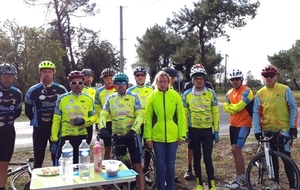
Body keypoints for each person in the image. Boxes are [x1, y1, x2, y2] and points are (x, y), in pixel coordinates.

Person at [98, 72, 145, 190]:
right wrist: (102, 128)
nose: (120, 85)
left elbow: (140, 115)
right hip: (117, 136)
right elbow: (103, 114)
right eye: (117, 83)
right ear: (114, 85)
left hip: (132, 136)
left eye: (123, 83)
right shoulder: (111, 98)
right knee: (119, 166)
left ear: (126, 85)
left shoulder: (134, 97)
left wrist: (134, 130)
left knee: (137, 166)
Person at [253, 65, 297, 190]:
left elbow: (293, 108)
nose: (269, 78)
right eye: (266, 76)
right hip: (268, 130)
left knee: (286, 158)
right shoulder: (260, 93)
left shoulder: (285, 89)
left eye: (271, 76)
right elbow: (256, 113)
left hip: (283, 131)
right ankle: (276, 184)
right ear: (263, 78)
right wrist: (257, 130)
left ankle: (293, 186)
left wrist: (293, 127)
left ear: (276, 76)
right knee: (272, 159)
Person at [144, 71, 186, 190]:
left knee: (171, 165)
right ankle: (161, 187)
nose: (162, 84)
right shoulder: (152, 97)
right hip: (157, 138)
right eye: (160, 81)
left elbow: (181, 116)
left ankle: (170, 187)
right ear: (156, 82)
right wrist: (148, 137)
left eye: (164, 81)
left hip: (173, 137)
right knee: (160, 165)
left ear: (169, 82)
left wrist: (182, 134)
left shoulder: (175, 95)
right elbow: (147, 118)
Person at [182, 66, 219, 190]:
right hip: (194, 131)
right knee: (196, 158)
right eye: (196, 78)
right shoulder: (187, 94)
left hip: (207, 130)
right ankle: (199, 183)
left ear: (204, 79)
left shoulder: (211, 93)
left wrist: (217, 130)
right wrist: (185, 131)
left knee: (208, 158)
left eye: (201, 78)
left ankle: (212, 184)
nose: (199, 81)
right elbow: (184, 115)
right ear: (193, 80)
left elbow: (215, 113)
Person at [25, 61, 67, 168]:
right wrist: (36, 120)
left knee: (56, 155)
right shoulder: (33, 90)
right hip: (39, 128)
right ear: (41, 73)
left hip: (56, 128)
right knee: (38, 156)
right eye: (44, 72)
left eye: (49, 71)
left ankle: (58, 180)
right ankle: (36, 182)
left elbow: (66, 109)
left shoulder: (61, 89)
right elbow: (28, 111)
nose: (47, 74)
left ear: (53, 73)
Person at [50, 70, 97, 164]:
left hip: (82, 138)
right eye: (74, 83)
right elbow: (56, 120)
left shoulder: (88, 99)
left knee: (82, 166)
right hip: (66, 138)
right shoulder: (62, 99)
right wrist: (54, 141)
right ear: (69, 84)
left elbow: (94, 117)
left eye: (80, 82)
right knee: (62, 167)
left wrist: (84, 121)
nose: (77, 85)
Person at [223, 69, 254, 189]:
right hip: (233, 125)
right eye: (232, 80)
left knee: (236, 149)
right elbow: (226, 107)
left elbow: (240, 107)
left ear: (241, 79)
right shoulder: (229, 92)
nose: (235, 81)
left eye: (237, 79)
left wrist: (232, 108)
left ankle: (241, 179)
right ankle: (240, 177)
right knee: (235, 152)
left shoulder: (247, 91)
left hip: (244, 124)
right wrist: (233, 108)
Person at [127, 66, 153, 183]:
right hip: (136, 124)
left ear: (146, 77)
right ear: (135, 77)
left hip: (148, 123)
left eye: (142, 75)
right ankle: (136, 172)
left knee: (148, 147)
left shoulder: (151, 90)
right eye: (138, 75)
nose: (140, 77)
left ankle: (146, 169)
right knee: (136, 148)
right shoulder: (130, 91)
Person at [0, 63, 23, 190]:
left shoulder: (17, 93)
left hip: (8, 131)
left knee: (4, 164)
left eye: (11, 76)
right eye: (5, 75)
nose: (8, 78)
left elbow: (18, 112)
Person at [95, 68, 116, 160]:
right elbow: (97, 107)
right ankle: (106, 165)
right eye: (106, 78)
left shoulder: (118, 88)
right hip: (106, 122)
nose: (109, 80)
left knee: (120, 147)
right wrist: (100, 122)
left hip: (118, 121)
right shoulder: (99, 91)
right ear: (103, 79)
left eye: (111, 78)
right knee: (107, 147)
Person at [81, 68, 97, 144]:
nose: (88, 79)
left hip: (90, 120)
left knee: (88, 142)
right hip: (79, 118)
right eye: (86, 77)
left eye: (90, 77)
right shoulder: (79, 89)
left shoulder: (95, 91)